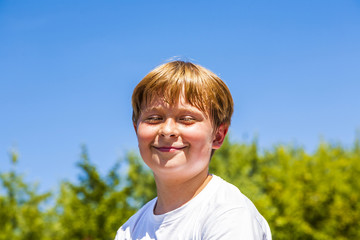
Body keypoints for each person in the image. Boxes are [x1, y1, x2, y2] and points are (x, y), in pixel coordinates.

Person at [115, 60, 271, 240]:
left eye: (187, 118)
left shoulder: (229, 214)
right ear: (136, 130)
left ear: (218, 136)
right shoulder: (130, 230)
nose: (167, 131)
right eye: (154, 118)